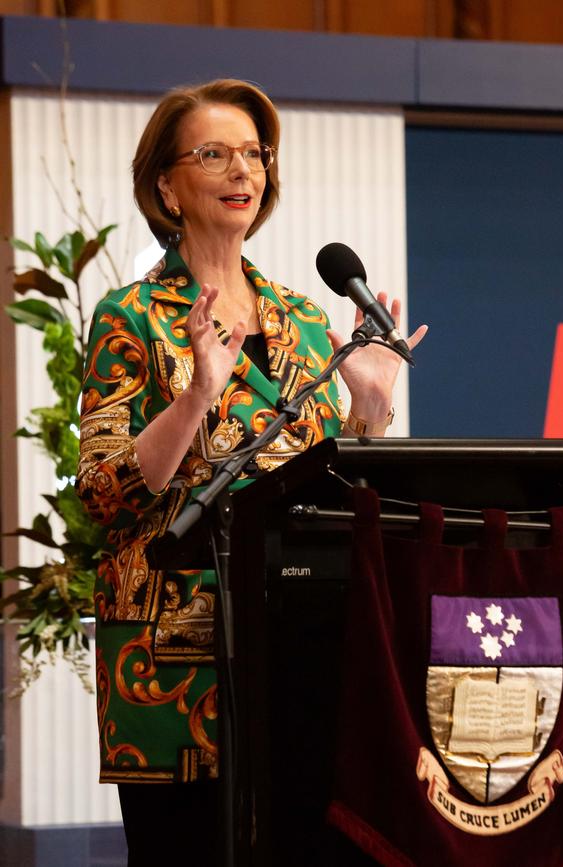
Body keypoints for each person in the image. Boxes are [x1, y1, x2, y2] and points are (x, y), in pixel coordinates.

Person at [76, 77, 426, 865]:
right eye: (215, 154)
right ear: (166, 185)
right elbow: (102, 494)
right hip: (174, 660)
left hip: (298, 649)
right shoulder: (131, 315)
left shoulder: (300, 317)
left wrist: (367, 411)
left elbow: (330, 496)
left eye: (254, 154)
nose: (243, 170)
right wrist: (197, 393)